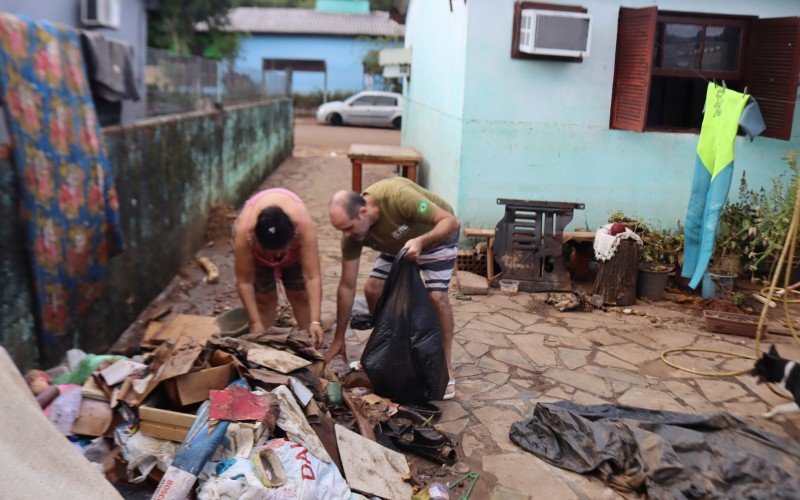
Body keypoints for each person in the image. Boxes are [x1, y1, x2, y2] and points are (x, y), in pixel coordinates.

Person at [326, 177, 461, 399]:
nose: (347, 235)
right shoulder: (352, 234)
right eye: (342, 230)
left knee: (437, 297)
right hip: (399, 246)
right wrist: (339, 337)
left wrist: (420, 241)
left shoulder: (397, 196)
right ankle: (387, 350)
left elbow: (451, 222)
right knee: (373, 288)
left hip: (437, 236)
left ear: (363, 212)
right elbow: (347, 286)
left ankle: (444, 366)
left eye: (348, 228)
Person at [233, 188, 324, 348]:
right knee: (264, 298)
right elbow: (245, 281)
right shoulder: (245, 233)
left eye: (280, 253)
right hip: (257, 250)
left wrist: (315, 321)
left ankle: (308, 342)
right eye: (269, 254)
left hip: (292, 251)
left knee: (300, 295)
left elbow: (312, 277)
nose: (275, 259)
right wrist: (255, 323)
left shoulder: (301, 226)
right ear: (255, 241)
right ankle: (263, 344)